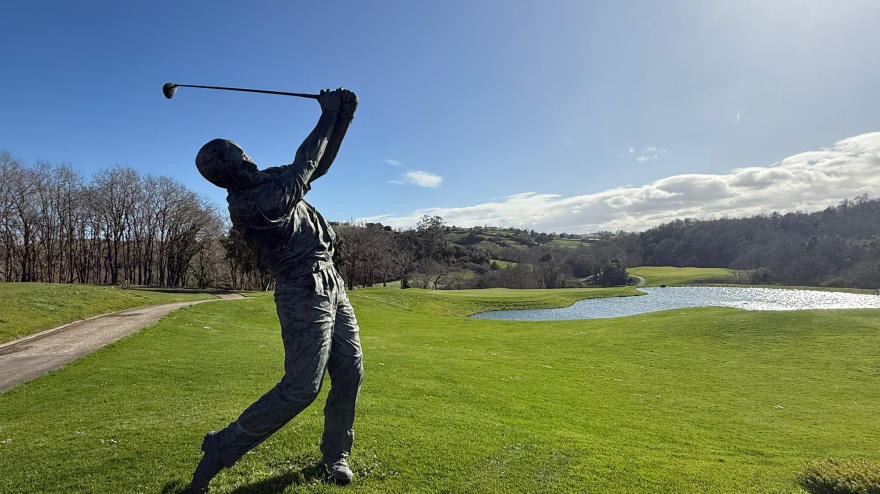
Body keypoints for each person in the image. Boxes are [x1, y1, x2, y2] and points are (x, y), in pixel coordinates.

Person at [190, 88, 363, 493]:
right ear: (225, 172)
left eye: (242, 151)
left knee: (351, 370)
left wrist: (343, 118)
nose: (246, 157)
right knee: (302, 387)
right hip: (302, 288)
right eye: (236, 156)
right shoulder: (253, 203)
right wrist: (326, 116)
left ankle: (335, 453)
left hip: (330, 279)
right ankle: (221, 447)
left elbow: (317, 167)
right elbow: (304, 167)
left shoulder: (266, 179)